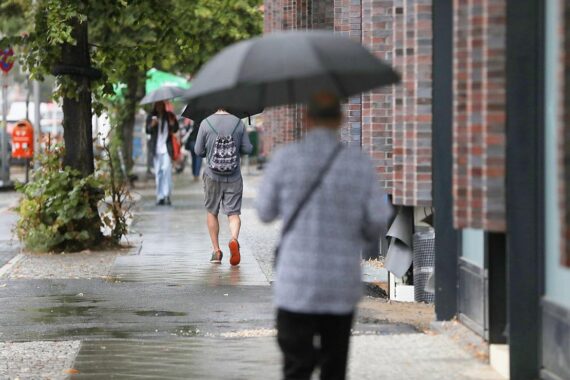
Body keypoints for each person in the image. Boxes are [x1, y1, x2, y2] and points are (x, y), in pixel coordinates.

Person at [255, 92, 391, 380]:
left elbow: (265, 212)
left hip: (295, 283)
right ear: (340, 119)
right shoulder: (358, 163)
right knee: (334, 367)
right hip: (339, 283)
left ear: (306, 119)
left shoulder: (285, 159)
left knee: (296, 366)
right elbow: (378, 220)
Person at [194, 109, 253, 265]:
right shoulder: (238, 122)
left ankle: (216, 251)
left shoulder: (205, 123)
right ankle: (233, 239)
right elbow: (248, 149)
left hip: (212, 176)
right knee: (233, 214)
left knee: (212, 212)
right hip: (233, 176)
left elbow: (198, 151)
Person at [145, 101, 179, 206]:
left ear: (163, 106)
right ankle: (159, 196)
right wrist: (152, 125)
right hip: (156, 149)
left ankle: (166, 195)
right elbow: (147, 130)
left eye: (161, 104)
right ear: (155, 106)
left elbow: (175, 129)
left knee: (167, 172)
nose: (159, 106)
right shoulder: (151, 117)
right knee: (158, 173)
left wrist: (173, 125)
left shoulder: (169, 116)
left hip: (167, 148)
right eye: (157, 105)